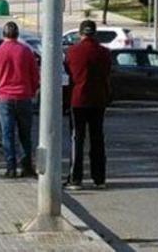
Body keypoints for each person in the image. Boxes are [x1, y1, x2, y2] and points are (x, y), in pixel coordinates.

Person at [0, 22, 39, 178]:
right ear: (17, 35)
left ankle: (11, 167)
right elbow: (35, 76)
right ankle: (26, 166)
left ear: (4, 35)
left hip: (4, 98)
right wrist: (31, 90)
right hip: (24, 96)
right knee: (25, 133)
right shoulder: (26, 51)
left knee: (7, 134)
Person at [64, 20, 112, 190]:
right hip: (99, 99)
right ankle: (99, 178)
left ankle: (75, 178)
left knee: (77, 138)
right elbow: (107, 73)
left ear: (80, 33)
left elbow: (68, 74)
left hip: (78, 100)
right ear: (95, 33)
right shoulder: (104, 53)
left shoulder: (72, 52)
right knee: (97, 138)